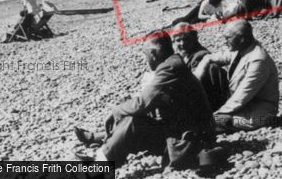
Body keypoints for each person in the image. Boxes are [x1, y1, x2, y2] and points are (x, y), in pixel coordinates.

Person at [74, 32, 215, 167]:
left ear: (153, 54)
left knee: (132, 122)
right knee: (132, 119)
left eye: (145, 54)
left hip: (192, 141)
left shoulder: (170, 67)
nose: (145, 59)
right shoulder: (173, 63)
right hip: (186, 132)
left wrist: (116, 110)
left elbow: (141, 103)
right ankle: (104, 155)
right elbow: (149, 101)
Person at [193, 19, 279, 133]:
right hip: (242, 105)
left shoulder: (258, 60)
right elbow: (211, 57)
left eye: (227, 38)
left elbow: (241, 96)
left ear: (241, 38)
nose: (224, 42)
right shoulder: (242, 48)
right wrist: (198, 74)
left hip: (260, 113)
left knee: (211, 123)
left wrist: (215, 114)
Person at [171, 23, 229, 111]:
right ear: (174, 42)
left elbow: (194, 83)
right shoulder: (186, 54)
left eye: (186, 39)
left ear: (195, 39)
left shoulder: (200, 56)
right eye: (178, 40)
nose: (182, 43)